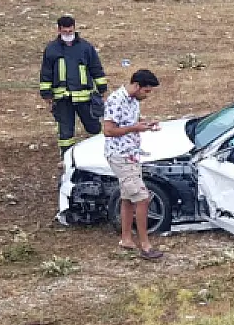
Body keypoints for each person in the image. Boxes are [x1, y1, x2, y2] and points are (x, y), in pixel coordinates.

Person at [103, 69, 164, 260]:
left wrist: (145, 124)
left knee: (128, 197)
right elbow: (108, 130)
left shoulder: (134, 102)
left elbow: (130, 122)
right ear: (136, 85)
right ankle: (145, 245)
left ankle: (126, 239)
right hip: (120, 156)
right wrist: (134, 128)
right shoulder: (116, 100)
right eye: (146, 91)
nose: (147, 95)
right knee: (142, 198)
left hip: (131, 155)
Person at [39, 15, 109, 154]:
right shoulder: (52, 49)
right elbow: (46, 72)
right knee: (65, 132)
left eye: (70, 32)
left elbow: (96, 68)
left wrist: (102, 89)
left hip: (84, 97)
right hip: (62, 99)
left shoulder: (86, 47)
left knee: (94, 127)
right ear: (59, 30)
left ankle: (102, 153)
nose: (68, 34)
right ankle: (67, 158)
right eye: (65, 32)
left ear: (74, 29)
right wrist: (46, 94)